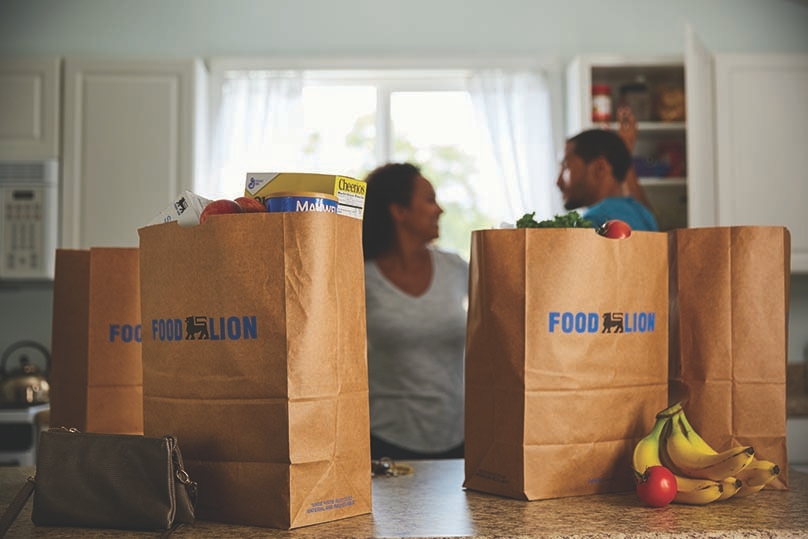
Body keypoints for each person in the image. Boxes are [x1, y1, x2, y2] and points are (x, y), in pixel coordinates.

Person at [362, 162, 468, 460]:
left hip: (458, 438)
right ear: (399, 211)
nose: (440, 210)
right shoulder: (360, 276)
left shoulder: (455, 268)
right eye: (430, 200)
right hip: (384, 441)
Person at [557, 108, 659, 231]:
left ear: (600, 168)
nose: (558, 182)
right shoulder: (642, 213)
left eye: (566, 167)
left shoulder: (594, 222)